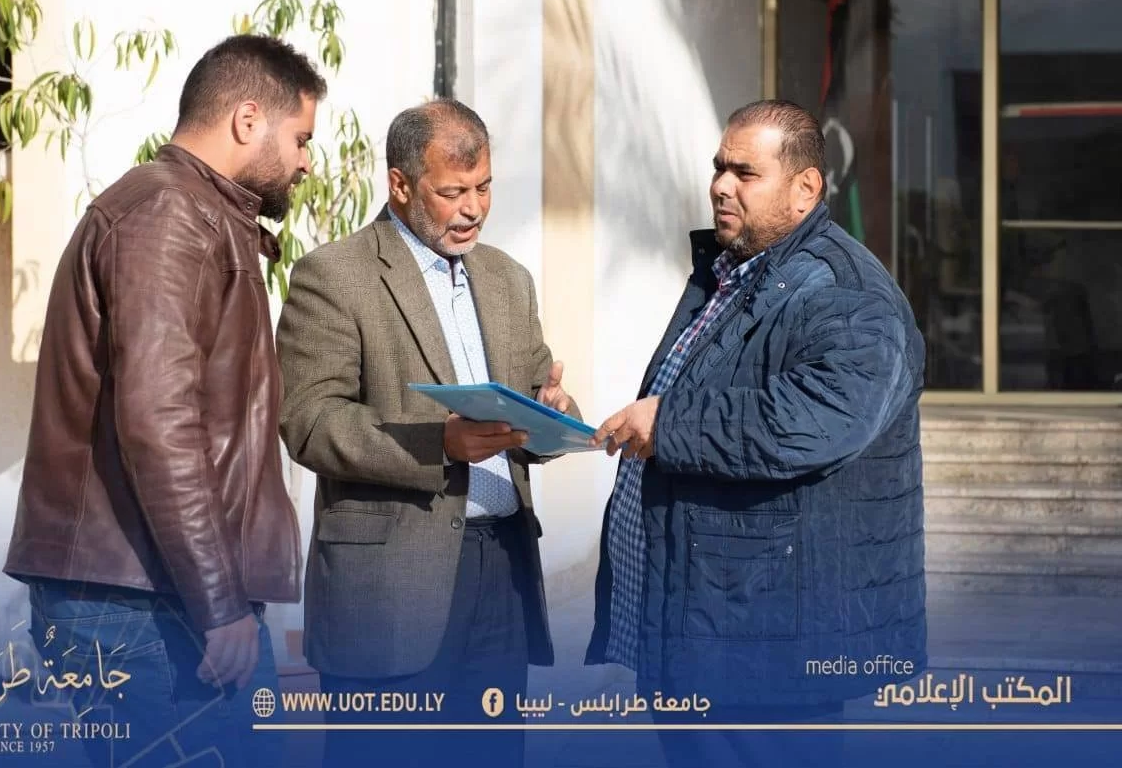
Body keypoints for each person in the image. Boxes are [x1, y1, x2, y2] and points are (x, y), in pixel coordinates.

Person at [3, 34, 326, 767]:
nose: (307, 161)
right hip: (147, 602)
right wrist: (219, 603)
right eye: (301, 138)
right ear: (248, 119)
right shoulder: (171, 213)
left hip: (155, 590)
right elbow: (160, 421)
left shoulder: (193, 211)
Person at [586, 99, 926, 768]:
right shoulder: (732, 271)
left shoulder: (846, 292)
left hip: (769, 639)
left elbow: (816, 421)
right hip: (705, 623)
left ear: (805, 188)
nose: (721, 185)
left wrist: (669, 423)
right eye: (719, 167)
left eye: (745, 173)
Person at [276, 98, 577, 768]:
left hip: (502, 573)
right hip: (390, 587)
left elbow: (538, 388)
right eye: (453, 192)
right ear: (402, 184)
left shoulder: (508, 279)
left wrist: (552, 410)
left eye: (484, 187)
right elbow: (309, 420)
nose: (473, 209)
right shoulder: (335, 275)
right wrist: (437, 443)